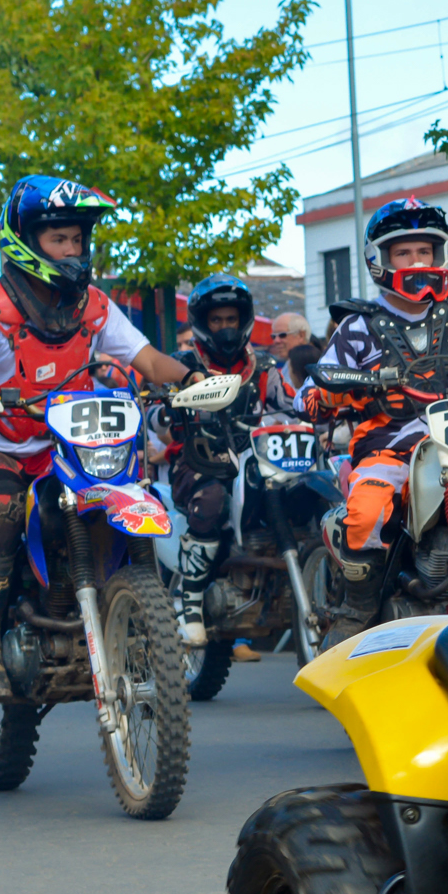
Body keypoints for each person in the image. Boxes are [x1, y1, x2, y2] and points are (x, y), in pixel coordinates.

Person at [0, 176, 200, 697]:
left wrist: (190, 378)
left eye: (77, 238)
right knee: (1, 506)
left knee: (126, 495)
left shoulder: (94, 306)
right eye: (59, 239)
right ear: (26, 242)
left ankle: (133, 619)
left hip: (66, 446)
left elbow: (147, 359)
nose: (72, 249)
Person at [301, 196, 448, 646]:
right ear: (380, 260)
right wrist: (347, 387)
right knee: (366, 511)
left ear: (440, 255)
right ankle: (357, 608)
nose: (416, 261)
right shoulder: (358, 325)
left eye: (424, 251)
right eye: (403, 252)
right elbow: (311, 397)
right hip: (388, 446)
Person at [165, 273, 293, 661]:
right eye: (217, 320)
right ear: (203, 323)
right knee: (213, 496)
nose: (224, 327)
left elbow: (290, 407)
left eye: (231, 320)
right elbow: (156, 415)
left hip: (259, 459)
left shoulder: (267, 366)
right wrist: (177, 408)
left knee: (300, 489)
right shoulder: (181, 364)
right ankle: (189, 601)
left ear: (244, 320)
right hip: (198, 460)